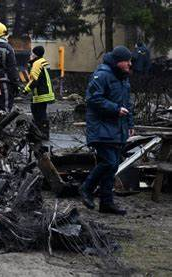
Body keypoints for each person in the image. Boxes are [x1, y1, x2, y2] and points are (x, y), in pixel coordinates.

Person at [79, 45, 134, 216]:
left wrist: (130, 124)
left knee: (112, 166)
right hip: (101, 127)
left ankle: (106, 202)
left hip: (117, 128)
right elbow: (93, 99)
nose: (130, 64)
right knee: (109, 162)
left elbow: (127, 104)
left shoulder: (123, 78)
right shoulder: (102, 75)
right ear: (119, 62)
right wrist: (115, 109)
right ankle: (86, 188)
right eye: (127, 61)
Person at [23, 46, 55, 139]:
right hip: (46, 92)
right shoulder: (43, 62)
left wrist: (25, 90)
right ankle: (41, 133)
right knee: (41, 113)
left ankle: (40, 134)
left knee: (38, 113)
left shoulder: (37, 64)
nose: (30, 55)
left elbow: (34, 80)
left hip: (41, 94)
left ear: (35, 54)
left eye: (32, 53)